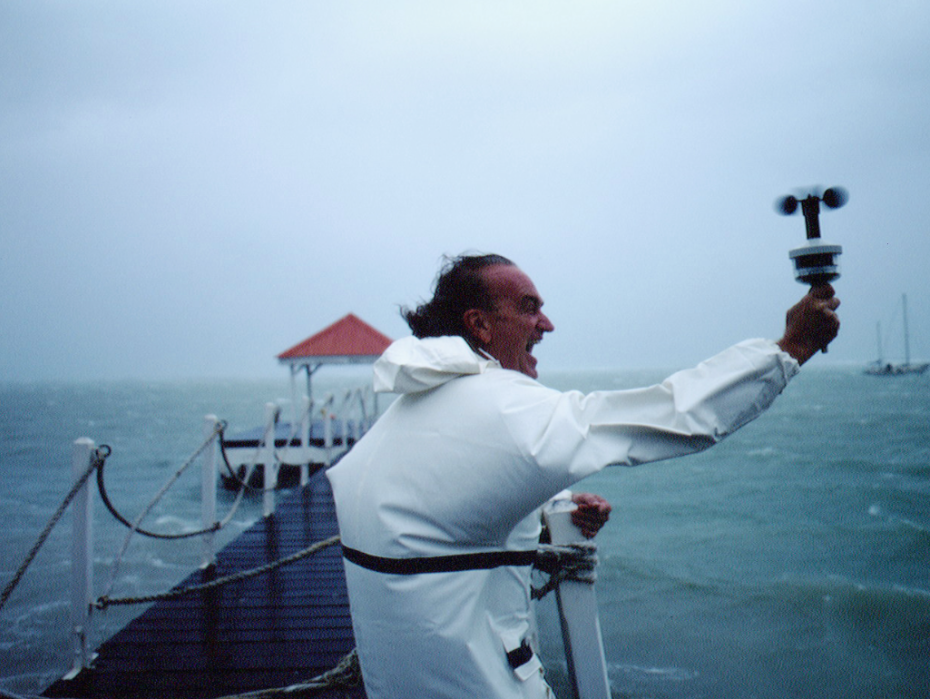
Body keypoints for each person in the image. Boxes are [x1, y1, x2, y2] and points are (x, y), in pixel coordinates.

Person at [327, 253, 840, 698]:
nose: (546, 324)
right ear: (479, 325)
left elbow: (445, 509)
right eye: (529, 308)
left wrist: (550, 516)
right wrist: (789, 348)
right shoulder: (505, 408)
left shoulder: (407, 413)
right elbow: (673, 416)